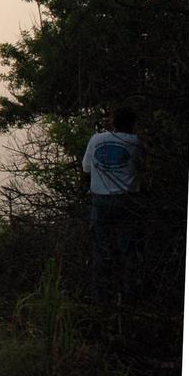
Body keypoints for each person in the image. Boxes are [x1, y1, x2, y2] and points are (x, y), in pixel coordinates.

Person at [82, 107, 142, 302]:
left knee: (99, 248)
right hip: (126, 200)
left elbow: (86, 168)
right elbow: (142, 167)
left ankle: (99, 295)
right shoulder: (135, 142)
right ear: (132, 124)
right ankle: (129, 293)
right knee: (128, 249)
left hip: (99, 201)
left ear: (113, 122)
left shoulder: (96, 139)